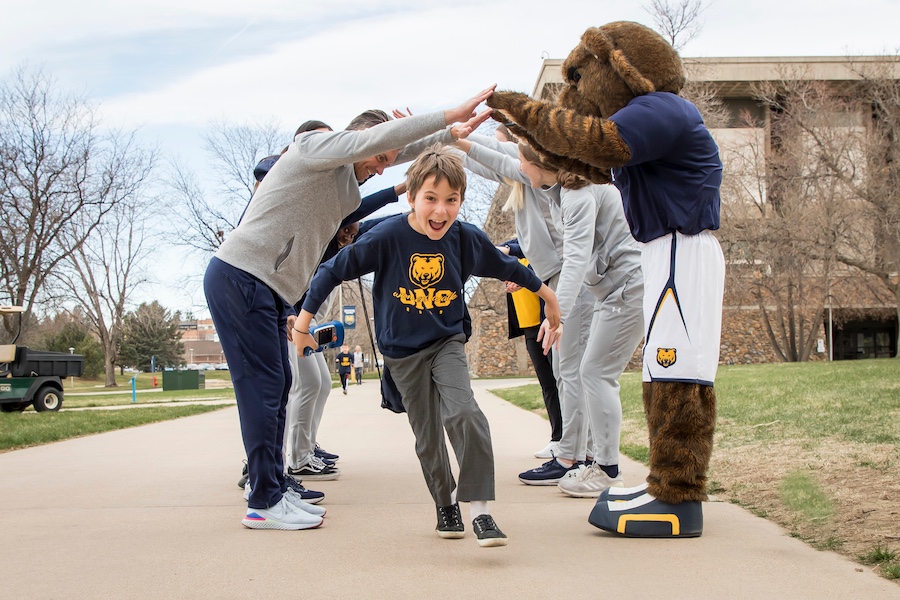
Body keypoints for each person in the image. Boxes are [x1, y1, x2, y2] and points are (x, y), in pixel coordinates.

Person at [204, 86, 496, 530]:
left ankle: (273, 486)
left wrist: (445, 139)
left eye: (386, 162)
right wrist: (444, 116)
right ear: (362, 136)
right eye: (379, 158)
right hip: (242, 275)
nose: (381, 168)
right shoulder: (312, 146)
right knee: (264, 388)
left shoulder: (341, 188)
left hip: (266, 287)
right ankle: (262, 498)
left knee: (279, 384)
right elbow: (369, 144)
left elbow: (386, 163)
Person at [293, 146, 562, 547]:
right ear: (412, 197)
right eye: (431, 199)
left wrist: (549, 297)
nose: (441, 211)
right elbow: (333, 270)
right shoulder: (387, 237)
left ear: (461, 201)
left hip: (446, 341)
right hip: (402, 353)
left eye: (451, 200)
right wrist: (303, 325)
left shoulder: (464, 238)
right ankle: (445, 504)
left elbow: (509, 267)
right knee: (428, 435)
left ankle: (481, 511)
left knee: (466, 413)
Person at [453, 134, 596, 482]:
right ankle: (578, 452)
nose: (514, 160)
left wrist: (455, 136)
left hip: (569, 280)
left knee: (572, 371)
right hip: (558, 277)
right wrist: (452, 140)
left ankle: (575, 457)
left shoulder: (561, 191)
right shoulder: (538, 184)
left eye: (517, 151)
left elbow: (497, 159)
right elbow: (489, 161)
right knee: (567, 371)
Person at [514, 143, 644, 497]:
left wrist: (558, 313)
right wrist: (457, 139)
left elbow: (575, 258)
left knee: (596, 372)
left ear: (540, 162)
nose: (520, 168)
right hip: (612, 292)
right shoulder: (565, 191)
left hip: (626, 290)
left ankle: (607, 470)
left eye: (522, 162)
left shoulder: (578, 195)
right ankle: (598, 464)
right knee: (591, 372)